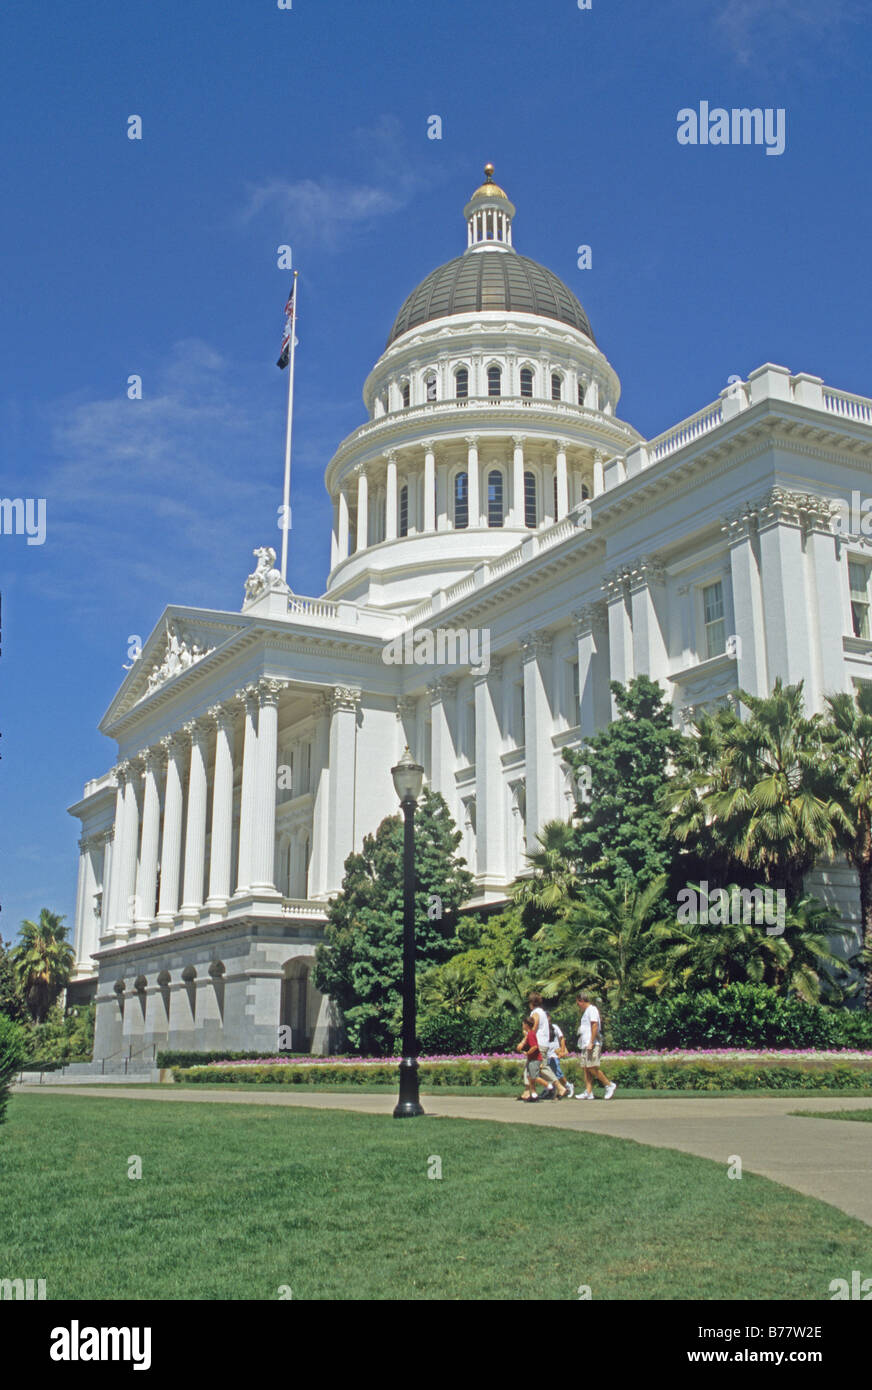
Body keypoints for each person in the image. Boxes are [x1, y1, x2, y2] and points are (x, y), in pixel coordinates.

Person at [527, 992, 573, 1099]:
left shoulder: (536, 1013)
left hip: (538, 1044)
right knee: (535, 1068)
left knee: (541, 1068)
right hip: (543, 1043)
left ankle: (557, 1087)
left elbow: (534, 1027)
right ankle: (531, 1093)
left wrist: (527, 1038)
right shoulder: (542, 1012)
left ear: (532, 1002)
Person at [575, 992, 616, 1100]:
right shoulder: (586, 1012)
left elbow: (595, 1025)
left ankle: (609, 1085)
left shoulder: (592, 1010)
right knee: (586, 1068)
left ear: (582, 1001)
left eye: (578, 1003)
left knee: (592, 1067)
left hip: (592, 1044)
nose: (578, 1005)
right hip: (585, 1044)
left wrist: (591, 1042)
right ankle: (588, 1092)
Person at [515, 1015, 546, 1101]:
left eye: (523, 1024)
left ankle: (549, 1086)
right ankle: (534, 1095)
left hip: (534, 1059)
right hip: (531, 1059)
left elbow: (535, 1047)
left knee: (533, 1077)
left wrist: (527, 1053)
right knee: (530, 1078)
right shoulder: (529, 1034)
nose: (522, 1025)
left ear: (526, 1025)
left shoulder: (531, 1034)